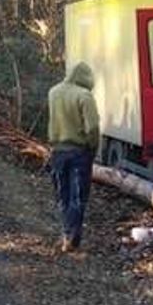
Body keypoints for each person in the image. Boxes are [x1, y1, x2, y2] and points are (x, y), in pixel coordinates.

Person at [47, 62, 100, 252]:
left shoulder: (53, 92)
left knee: (63, 196)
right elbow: (92, 127)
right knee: (78, 197)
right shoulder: (84, 96)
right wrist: (93, 147)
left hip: (57, 151)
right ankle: (71, 237)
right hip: (79, 152)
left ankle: (67, 234)